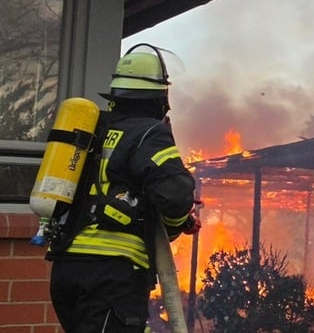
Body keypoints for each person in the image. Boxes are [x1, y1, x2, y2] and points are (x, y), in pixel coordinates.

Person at [47, 44, 200, 332]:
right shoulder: (148, 133)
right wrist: (179, 224)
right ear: (159, 98)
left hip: (66, 269)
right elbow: (176, 195)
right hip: (112, 273)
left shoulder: (92, 130)